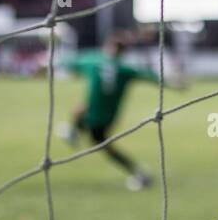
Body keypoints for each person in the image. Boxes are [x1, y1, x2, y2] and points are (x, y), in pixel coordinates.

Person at [61, 33, 161, 190]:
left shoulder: (95, 60)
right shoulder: (126, 69)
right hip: (109, 116)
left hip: (98, 117)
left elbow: (68, 62)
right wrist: (173, 84)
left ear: (108, 46)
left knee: (101, 142)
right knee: (81, 110)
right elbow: (150, 76)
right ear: (123, 52)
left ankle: (140, 173)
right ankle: (74, 132)